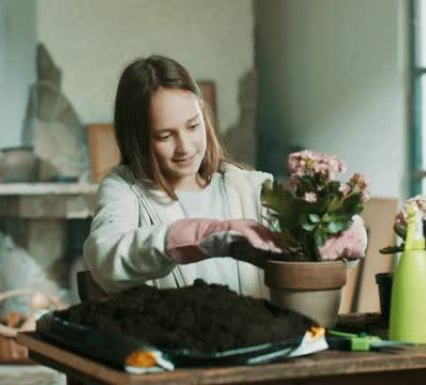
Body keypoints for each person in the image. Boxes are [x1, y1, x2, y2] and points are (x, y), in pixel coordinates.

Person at [83, 55, 365, 298]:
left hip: (258, 352)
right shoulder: (124, 190)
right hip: (173, 355)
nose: (185, 146)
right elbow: (105, 258)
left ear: (204, 118)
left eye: (193, 126)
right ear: (138, 138)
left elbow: (318, 238)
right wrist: (204, 235)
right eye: (165, 135)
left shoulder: (249, 187)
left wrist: (344, 229)